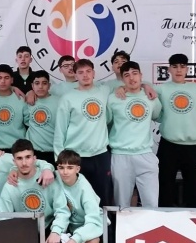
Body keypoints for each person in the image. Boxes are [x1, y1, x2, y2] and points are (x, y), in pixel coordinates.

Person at [0, 139, 71, 243]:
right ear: (14, 161)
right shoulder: (10, 186)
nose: (24, 163)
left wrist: (56, 231)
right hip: (25, 231)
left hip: (49, 227)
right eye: (19, 158)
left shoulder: (47, 179)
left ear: (34, 158)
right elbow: (5, 219)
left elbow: (62, 210)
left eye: (28, 157)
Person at [147, 54, 196, 208]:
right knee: (165, 188)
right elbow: (142, 89)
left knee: (194, 190)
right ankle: (164, 220)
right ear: (169, 69)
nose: (178, 70)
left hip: (193, 146)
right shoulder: (162, 88)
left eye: (182, 66)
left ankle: (192, 221)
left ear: (187, 69)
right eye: (175, 66)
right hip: (169, 145)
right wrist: (145, 86)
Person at [53, 59, 112, 207]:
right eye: (80, 72)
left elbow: (127, 85)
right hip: (76, 156)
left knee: (103, 197)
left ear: (94, 73)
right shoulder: (67, 98)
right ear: (75, 75)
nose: (85, 75)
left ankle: (104, 223)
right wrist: (60, 160)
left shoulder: (104, 91)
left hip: (100, 155)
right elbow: (60, 130)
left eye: (88, 71)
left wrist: (144, 86)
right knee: (76, 200)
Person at [107, 61, 162, 208]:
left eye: (135, 73)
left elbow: (156, 115)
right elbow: (106, 121)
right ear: (122, 79)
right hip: (121, 155)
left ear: (141, 75)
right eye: (127, 75)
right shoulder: (113, 98)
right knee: (121, 205)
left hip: (145, 154)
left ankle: (150, 224)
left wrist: (146, 86)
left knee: (151, 204)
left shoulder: (151, 97)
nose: (131, 78)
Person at [0, 64, 29, 152]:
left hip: (18, 147)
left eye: (6, 78)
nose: (3, 81)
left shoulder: (21, 99)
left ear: (12, 80)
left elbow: (29, 123)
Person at [25, 70, 60, 167]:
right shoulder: (28, 101)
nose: (40, 86)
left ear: (49, 85)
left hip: (53, 151)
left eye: (44, 83)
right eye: (37, 83)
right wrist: (29, 93)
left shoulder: (59, 102)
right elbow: (25, 121)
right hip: (33, 151)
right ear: (32, 86)